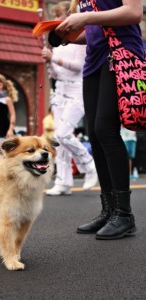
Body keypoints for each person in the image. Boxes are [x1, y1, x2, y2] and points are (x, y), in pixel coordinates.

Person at [54, 0, 144, 239]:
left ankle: (124, 215)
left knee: (105, 129)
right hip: (93, 61)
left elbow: (134, 13)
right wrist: (70, 36)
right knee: (94, 134)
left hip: (119, 53)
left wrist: (85, 17)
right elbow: (94, 30)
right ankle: (110, 210)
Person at [42, 1, 98, 196]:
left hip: (77, 90)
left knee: (64, 134)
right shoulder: (59, 43)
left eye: (59, 16)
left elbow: (78, 66)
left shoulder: (80, 38)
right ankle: (63, 182)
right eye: (55, 17)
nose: (56, 21)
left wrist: (53, 58)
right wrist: (49, 62)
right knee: (59, 139)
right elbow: (57, 74)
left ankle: (88, 164)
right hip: (60, 91)